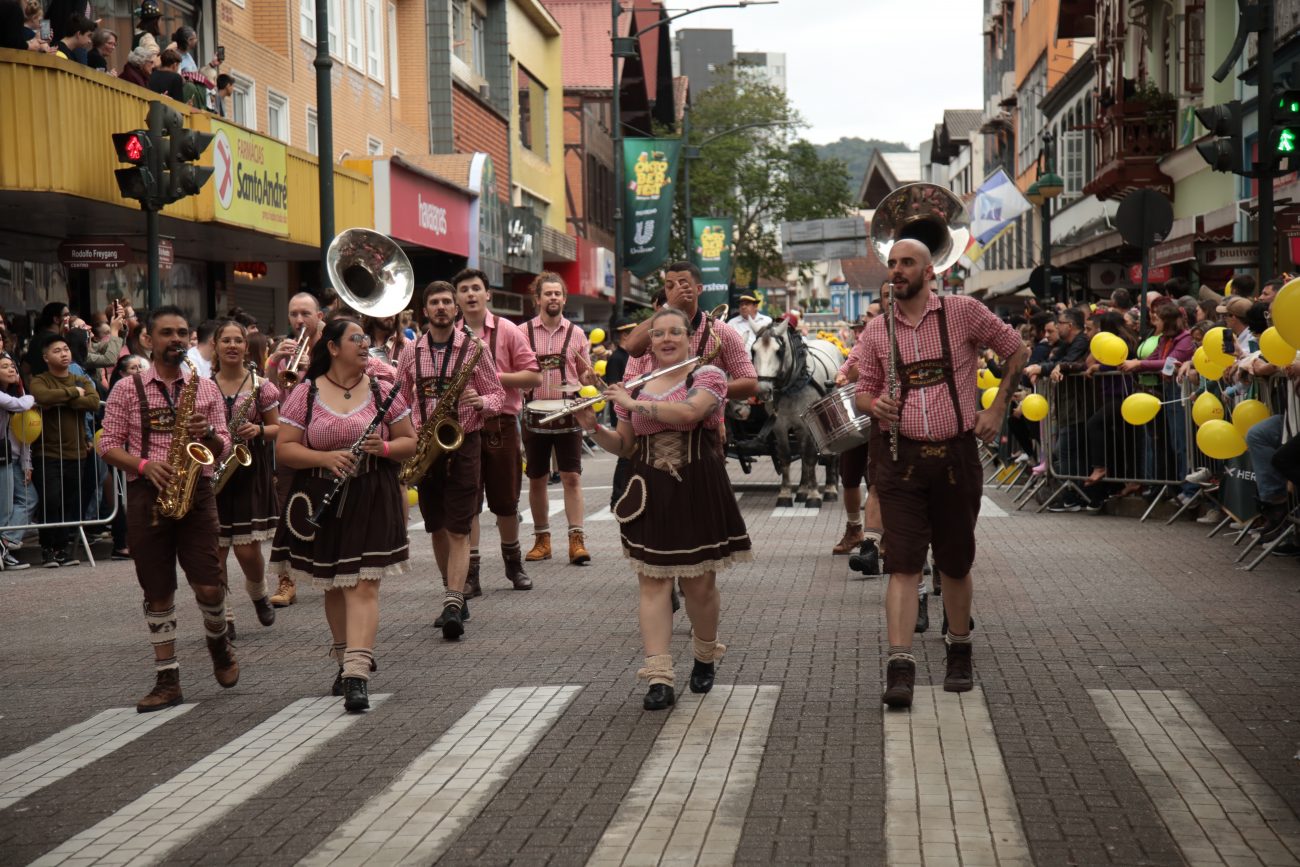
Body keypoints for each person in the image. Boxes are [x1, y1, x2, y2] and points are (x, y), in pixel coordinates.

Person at [854, 239, 1026, 709]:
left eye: (907, 262)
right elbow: (860, 394)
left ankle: (959, 648)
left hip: (955, 457)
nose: (897, 270)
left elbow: (1016, 350)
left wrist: (996, 408)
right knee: (903, 563)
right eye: (892, 264)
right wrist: (875, 403)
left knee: (955, 560)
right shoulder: (876, 332)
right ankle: (900, 665)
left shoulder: (963, 312)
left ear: (930, 271)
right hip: (901, 459)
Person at [577, 307, 750, 710]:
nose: (668, 339)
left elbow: (690, 414)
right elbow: (626, 446)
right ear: (650, 343)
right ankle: (659, 676)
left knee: (699, 585)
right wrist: (592, 426)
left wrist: (633, 406)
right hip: (650, 486)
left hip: (697, 485)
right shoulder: (635, 387)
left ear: (691, 339)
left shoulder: (708, 376)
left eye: (676, 332)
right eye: (659, 334)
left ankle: (705, 655)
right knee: (652, 582)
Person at [270, 318, 416, 710]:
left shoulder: (384, 389)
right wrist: (324, 457)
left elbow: (409, 442)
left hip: (372, 492)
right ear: (333, 347)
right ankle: (343, 657)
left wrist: (382, 449)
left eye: (367, 340)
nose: (365, 345)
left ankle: (356, 673)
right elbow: (285, 448)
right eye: (356, 339)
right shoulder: (306, 392)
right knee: (334, 582)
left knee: (363, 583)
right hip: (321, 495)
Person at [98, 306, 237, 713]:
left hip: (197, 492)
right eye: (167, 333)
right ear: (149, 340)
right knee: (157, 589)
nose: (176, 340)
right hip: (147, 495)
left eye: (182, 333)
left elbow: (224, 444)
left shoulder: (205, 387)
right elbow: (107, 445)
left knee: (210, 585)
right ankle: (167, 679)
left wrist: (208, 433)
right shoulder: (127, 388)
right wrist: (144, 465)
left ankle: (218, 642)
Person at [397, 282, 504, 636]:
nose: (441, 307)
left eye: (447, 301)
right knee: (436, 526)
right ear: (425, 310)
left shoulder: (475, 348)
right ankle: (452, 591)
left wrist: (481, 403)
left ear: (456, 309)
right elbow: (400, 399)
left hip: (464, 443)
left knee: (459, 525)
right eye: (434, 302)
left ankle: (453, 602)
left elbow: (497, 394)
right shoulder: (410, 352)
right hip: (426, 445)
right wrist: (408, 431)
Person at [453, 268, 541, 594]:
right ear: (457, 298)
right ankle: (471, 573)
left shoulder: (507, 330)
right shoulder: (450, 334)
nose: (471, 294)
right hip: (462, 426)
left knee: (505, 501)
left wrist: (492, 379)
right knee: (469, 501)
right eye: (464, 289)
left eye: (477, 288)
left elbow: (534, 376)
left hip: (501, 423)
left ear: (488, 294)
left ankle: (513, 564)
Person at [211, 320, 281, 639]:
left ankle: (258, 592)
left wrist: (260, 430)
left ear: (245, 346)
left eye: (238, 340)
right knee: (216, 549)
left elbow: (280, 428)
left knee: (247, 551)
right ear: (215, 346)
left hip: (249, 469)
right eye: (225, 340)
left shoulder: (260, 385)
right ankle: (223, 616)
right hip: (212, 470)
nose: (232, 345)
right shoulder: (203, 385)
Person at [521, 272, 595, 566]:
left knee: (572, 477)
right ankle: (542, 539)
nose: (553, 298)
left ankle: (576, 539)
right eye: (547, 294)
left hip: (568, 410)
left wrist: (591, 376)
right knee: (537, 479)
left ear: (564, 298)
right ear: (537, 299)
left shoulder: (576, 333)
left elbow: (583, 372)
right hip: (534, 413)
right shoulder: (521, 332)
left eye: (558, 294)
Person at [30, 333, 99, 568]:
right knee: (51, 500)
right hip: (48, 452)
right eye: (57, 350)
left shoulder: (80, 379)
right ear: (46, 357)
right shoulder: (40, 379)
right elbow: (42, 396)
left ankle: (63, 549)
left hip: (77, 452)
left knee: (69, 502)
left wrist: (64, 399)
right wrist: (72, 394)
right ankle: (48, 549)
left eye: (66, 349)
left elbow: (93, 401)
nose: (64, 354)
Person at [0, 354, 34, 570]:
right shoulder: (15, 398)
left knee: (27, 499)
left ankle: (6, 543)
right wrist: (31, 397)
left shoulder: (16, 393)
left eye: (12, 366)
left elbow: (25, 436)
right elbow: (21, 404)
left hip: (10, 458)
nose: (11, 369)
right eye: (4, 367)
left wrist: (26, 464)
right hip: (1, 458)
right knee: (4, 508)